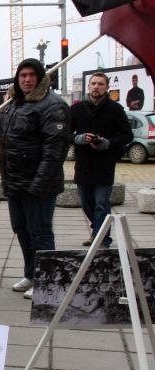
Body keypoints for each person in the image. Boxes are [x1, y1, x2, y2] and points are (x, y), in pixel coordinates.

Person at [0, 58, 71, 299]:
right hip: (15, 182)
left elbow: (54, 152)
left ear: (41, 78)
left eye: (31, 75)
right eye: (22, 76)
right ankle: (31, 273)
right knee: (22, 230)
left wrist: (38, 185)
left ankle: (46, 280)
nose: (27, 79)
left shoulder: (53, 106)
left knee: (40, 232)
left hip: (38, 185)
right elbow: (9, 134)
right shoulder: (15, 103)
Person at [70, 72, 133, 248]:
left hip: (104, 164)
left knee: (101, 203)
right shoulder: (76, 109)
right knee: (86, 203)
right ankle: (98, 230)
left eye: (100, 84)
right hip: (83, 164)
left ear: (106, 87)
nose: (96, 87)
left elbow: (127, 135)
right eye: (93, 83)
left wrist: (107, 143)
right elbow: (64, 133)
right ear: (88, 86)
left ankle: (101, 239)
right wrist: (78, 138)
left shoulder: (115, 109)